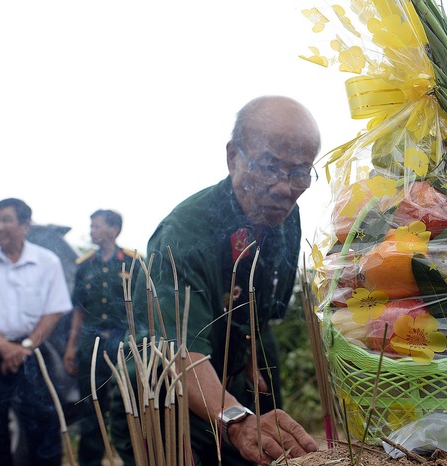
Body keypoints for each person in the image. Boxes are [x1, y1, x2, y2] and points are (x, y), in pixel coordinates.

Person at [111, 95, 321, 465]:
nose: (285, 188)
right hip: (169, 396)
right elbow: (177, 353)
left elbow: (261, 308)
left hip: (232, 383)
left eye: (300, 171)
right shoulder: (183, 234)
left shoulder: (286, 217)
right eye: (270, 167)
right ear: (232, 157)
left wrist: (250, 357)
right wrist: (235, 419)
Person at [0, 198, 72, 466]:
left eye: (6, 220)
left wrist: (26, 347)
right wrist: (4, 347)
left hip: (33, 352)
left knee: (42, 422)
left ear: (25, 225)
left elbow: (54, 311)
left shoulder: (47, 262)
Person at [63, 209, 138, 466]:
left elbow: (143, 306)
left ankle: (131, 458)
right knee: (91, 406)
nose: (92, 231)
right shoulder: (85, 265)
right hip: (92, 344)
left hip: (123, 344)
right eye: (91, 226)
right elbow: (78, 311)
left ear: (113, 229)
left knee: (128, 404)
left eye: (96, 226)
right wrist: (71, 347)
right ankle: (90, 461)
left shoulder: (133, 262)